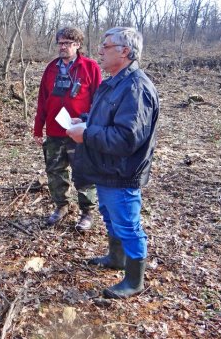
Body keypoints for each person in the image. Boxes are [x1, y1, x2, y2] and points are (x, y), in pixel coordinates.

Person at [67, 27, 159, 299]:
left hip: (123, 172)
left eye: (106, 46)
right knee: (110, 217)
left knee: (128, 225)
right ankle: (115, 258)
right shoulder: (114, 82)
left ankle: (134, 280)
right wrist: (84, 120)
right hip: (105, 169)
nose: (100, 51)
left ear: (125, 52)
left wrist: (86, 133)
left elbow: (126, 138)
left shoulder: (136, 88)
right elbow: (108, 118)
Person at [33, 27, 101, 231]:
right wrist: (38, 128)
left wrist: (91, 125)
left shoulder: (90, 67)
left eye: (68, 43)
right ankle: (61, 206)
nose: (63, 47)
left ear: (77, 44)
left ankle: (87, 212)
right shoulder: (51, 68)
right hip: (54, 131)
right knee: (55, 171)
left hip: (80, 132)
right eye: (60, 43)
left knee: (83, 173)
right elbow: (42, 100)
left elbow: (98, 100)